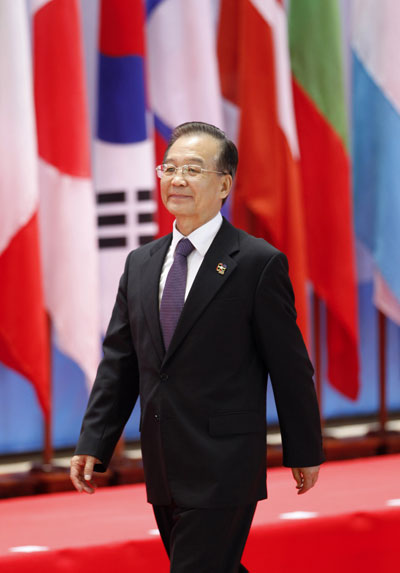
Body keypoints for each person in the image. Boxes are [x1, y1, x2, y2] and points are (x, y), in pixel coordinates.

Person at [70, 121, 324, 572]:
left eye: (193, 169)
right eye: (169, 168)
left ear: (224, 184)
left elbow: (290, 367)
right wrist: (95, 440)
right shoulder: (142, 264)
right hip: (165, 464)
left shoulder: (257, 264)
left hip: (225, 465)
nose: (177, 179)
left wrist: (302, 449)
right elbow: (120, 362)